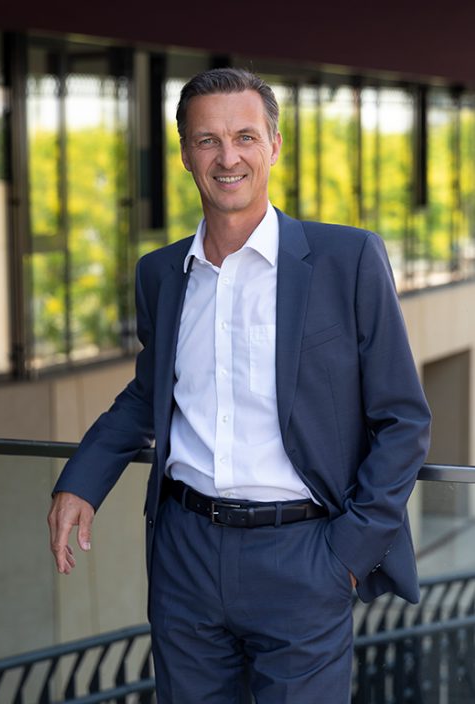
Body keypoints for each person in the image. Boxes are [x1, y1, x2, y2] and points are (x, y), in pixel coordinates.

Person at [48, 68, 431, 703]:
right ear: (185, 154)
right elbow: (150, 393)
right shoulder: (160, 274)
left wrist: (348, 554)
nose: (228, 158)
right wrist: (81, 479)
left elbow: (403, 419)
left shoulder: (348, 260)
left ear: (274, 146)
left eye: (245, 137)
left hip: (306, 555)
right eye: (208, 141)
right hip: (185, 555)